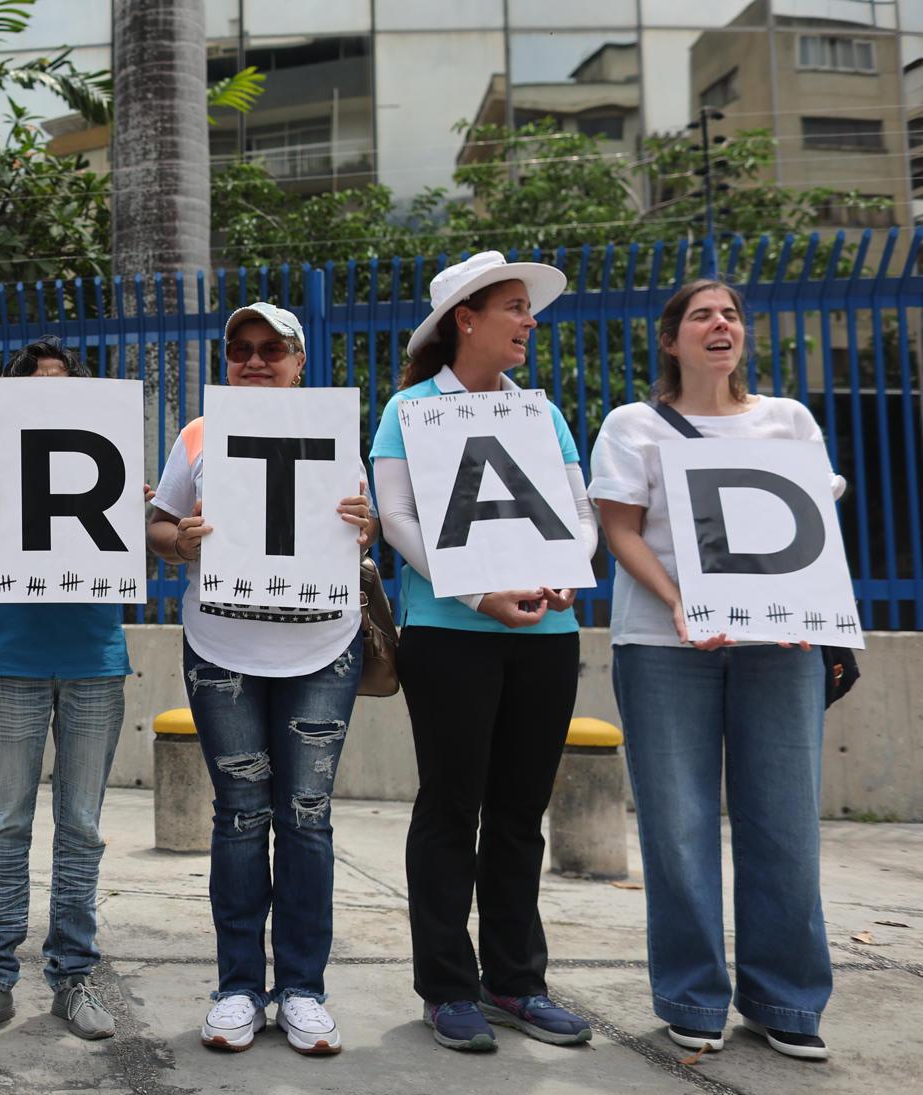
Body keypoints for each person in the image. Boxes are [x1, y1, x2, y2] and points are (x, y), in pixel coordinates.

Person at [590, 279, 840, 1061]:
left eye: (729, 313)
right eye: (700, 315)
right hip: (664, 648)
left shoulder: (787, 421)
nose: (719, 323)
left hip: (778, 650)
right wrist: (679, 603)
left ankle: (786, 1000)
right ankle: (692, 997)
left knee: (785, 821)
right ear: (670, 339)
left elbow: (812, 526)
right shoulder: (632, 425)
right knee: (679, 827)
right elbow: (618, 530)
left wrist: (807, 606)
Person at [370, 251, 596, 1052]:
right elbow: (395, 518)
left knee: (518, 813)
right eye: (512, 307)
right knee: (449, 808)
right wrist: (476, 594)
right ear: (464, 318)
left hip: (546, 636)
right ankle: (446, 986)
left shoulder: (541, 413)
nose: (528, 322)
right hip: (448, 636)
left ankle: (514, 980)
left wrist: (570, 569)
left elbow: (576, 505)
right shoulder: (408, 410)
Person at [147, 303, 377, 1055]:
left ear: (298, 359)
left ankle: (303, 988)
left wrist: (365, 524)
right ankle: (239, 987)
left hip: (323, 648)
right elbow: (155, 526)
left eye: (269, 350)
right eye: (239, 349)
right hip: (222, 650)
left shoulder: (337, 431)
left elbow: (361, 526)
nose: (253, 360)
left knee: (305, 815)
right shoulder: (197, 434)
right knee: (240, 816)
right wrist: (178, 540)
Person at [0, 338, 128, 1044]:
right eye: (35, 385)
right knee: (3, 827)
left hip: (93, 661)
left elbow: (132, 560)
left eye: (62, 382)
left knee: (81, 827)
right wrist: (1, 517)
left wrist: (135, 512)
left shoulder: (108, 456)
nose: (49, 393)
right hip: (11, 663)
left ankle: (72, 975)